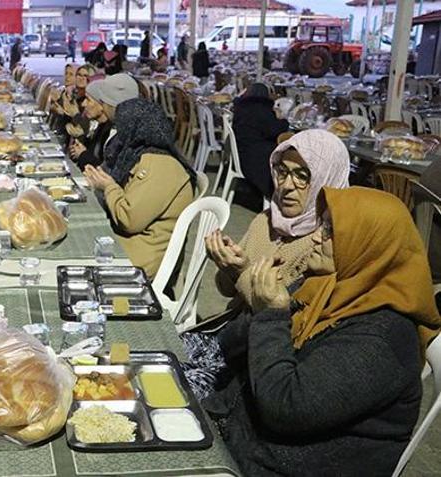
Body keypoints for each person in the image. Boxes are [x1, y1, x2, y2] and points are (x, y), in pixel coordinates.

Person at [208, 186, 441, 476]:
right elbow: (229, 346)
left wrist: (270, 315)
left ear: (366, 246)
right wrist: (258, 296)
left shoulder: (384, 337)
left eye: (331, 230)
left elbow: (285, 408)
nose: (317, 236)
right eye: (321, 224)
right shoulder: (323, 287)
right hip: (240, 436)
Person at [187, 129, 351, 399]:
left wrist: (242, 272)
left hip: (257, 359)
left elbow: (280, 318)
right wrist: (227, 266)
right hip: (227, 334)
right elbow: (226, 291)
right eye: (282, 172)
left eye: (302, 176)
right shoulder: (266, 220)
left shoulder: (324, 246)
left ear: (326, 179)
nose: (287, 185)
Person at [84, 98, 196, 280]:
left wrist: (108, 186)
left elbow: (129, 220)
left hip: (140, 257)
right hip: (129, 243)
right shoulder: (140, 156)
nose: (118, 135)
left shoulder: (161, 166)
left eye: (121, 127)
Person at [69, 73, 139, 170]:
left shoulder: (118, 133)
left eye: (88, 100)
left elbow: (109, 171)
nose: (84, 104)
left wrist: (83, 155)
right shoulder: (102, 127)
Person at [232, 83, 290, 199]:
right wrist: (282, 118)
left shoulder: (241, 107)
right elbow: (277, 129)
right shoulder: (262, 109)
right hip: (254, 159)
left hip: (240, 152)